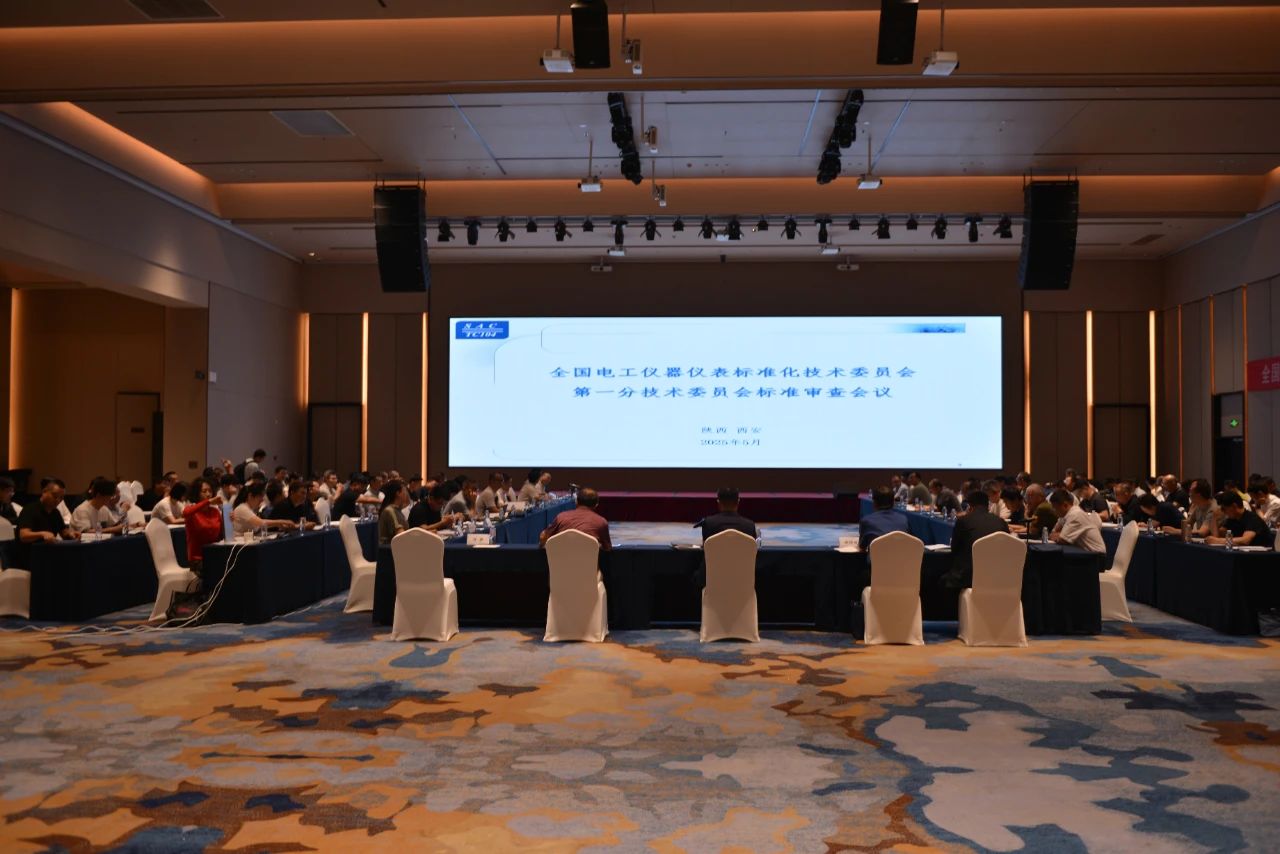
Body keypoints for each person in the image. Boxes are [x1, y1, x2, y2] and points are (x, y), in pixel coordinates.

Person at [942, 491, 1011, 589]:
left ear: (970, 507)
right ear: (988, 505)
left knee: (941, 580)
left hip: (968, 577)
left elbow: (955, 549)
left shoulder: (963, 521)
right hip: (997, 576)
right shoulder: (1001, 522)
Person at [16, 479, 78, 566]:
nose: (58, 500)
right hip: (30, 557)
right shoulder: (30, 509)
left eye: (61, 498)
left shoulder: (55, 512)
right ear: (44, 492)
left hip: (48, 555)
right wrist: (42, 534)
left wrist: (71, 534)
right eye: (55, 496)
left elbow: (64, 532)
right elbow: (23, 536)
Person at [182, 477, 226, 582]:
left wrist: (227, 518)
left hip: (214, 554)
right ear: (197, 493)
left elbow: (221, 535)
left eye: (210, 491)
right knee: (217, 570)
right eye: (204, 491)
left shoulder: (215, 512)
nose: (208, 494)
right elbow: (185, 513)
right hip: (198, 559)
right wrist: (208, 502)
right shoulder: (192, 511)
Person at [539, 487, 610, 549]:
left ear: (576, 502)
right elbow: (607, 548)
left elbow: (543, 537)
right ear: (596, 505)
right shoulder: (601, 521)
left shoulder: (561, 517)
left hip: (560, 560)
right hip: (589, 561)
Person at [1206, 491, 1275, 548]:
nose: (1223, 512)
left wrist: (1218, 541)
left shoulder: (1252, 518)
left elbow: (1245, 541)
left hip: (1263, 556)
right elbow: (1217, 536)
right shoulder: (1232, 519)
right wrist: (1214, 518)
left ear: (1234, 506)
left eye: (1223, 509)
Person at [1048, 489, 1106, 553]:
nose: (1053, 510)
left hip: (1095, 554)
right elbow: (1052, 534)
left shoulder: (1075, 515)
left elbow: (1062, 540)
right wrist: (1058, 535)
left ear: (1065, 505)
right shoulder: (1064, 515)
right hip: (1082, 551)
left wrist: (1059, 535)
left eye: (1055, 507)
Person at [231, 482, 298, 535]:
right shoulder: (242, 508)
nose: (262, 500)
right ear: (250, 496)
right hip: (239, 545)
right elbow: (261, 523)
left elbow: (260, 526)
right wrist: (282, 521)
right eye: (260, 496)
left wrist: (279, 524)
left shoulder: (250, 509)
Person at [858, 486, 908, 551]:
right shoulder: (903, 519)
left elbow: (862, 546)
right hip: (901, 557)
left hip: (876, 557)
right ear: (893, 503)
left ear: (874, 502)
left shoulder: (866, 521)